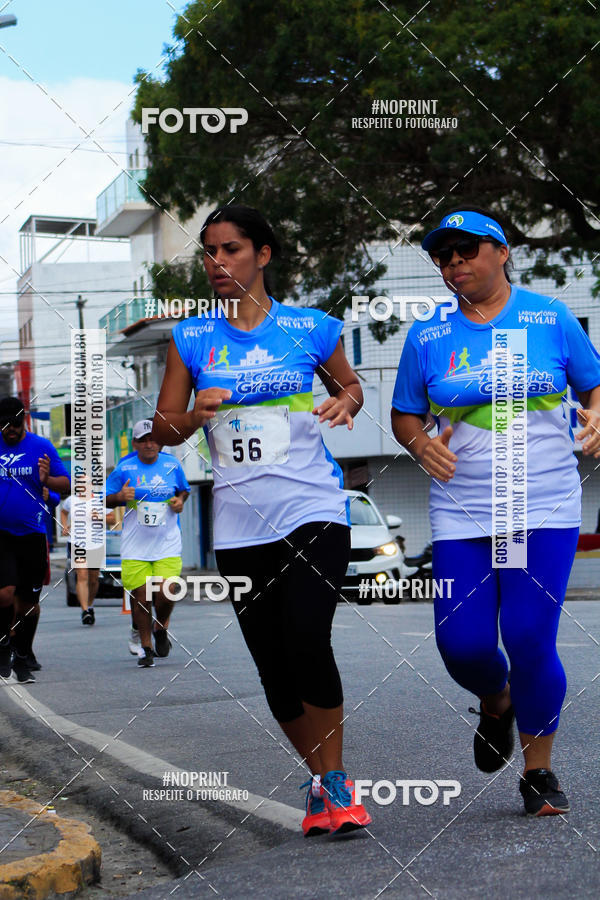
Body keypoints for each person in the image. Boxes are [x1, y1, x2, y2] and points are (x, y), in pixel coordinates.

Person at [152, 204, 371, 837]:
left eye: (232, 249)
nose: (218, 262)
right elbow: (163, 429)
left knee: (307, 637)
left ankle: (337, 780)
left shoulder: (310, 327)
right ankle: (318, 781)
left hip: (313, 509)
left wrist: (344, 402)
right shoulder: (192, 338)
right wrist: (195, 413)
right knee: (273, 665)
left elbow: (351, 386)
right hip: (240, 526)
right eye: (210, 251)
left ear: (263, 254)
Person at [391, 206, 600, 817]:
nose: (454, 263)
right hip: (463, 510)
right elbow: (405, 413)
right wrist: (419, 444)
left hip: (541, 503)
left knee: (530, 637)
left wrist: (596, 414)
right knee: (463, 645)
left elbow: (593, 383)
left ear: (502, 252)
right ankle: (496, 699)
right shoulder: (427, 335)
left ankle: (539, 772)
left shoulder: (550, 317)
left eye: (468, 251)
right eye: (444, 256)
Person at [105, 419, 190, 667]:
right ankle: (145, 647)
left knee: (167, 591)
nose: (149, 444)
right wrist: (119, 496)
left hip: (167, 542)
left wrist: (180, 500)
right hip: (136, 545)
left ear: (160, 442)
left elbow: (183, 490)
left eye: (153, 439)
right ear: (135, 444)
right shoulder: (125, 468)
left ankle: (160, 626)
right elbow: (104, 498)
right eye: (143, 440)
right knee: (142, 596)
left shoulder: (172, 465)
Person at [0, 396, 70, 683]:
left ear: (24, 421)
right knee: (5, 593)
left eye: (16, 424)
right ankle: (4, 645)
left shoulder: (41, 447)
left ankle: (23, 654)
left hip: (32, 535)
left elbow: (65, 484)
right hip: (2, 535)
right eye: (6, 425)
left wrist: (47, 480)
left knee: (28, 604)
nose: (12, 429)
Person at [60, 493, 116, 626]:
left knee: (93, 579)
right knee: (82, 575)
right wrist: (64, 526)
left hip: (96, 543)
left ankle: (90, 605)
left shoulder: (101, 499)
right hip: (76, 543)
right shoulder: (71, 500)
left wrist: (100, 517)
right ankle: (85, 610)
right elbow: (63, 512)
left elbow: (113, 519)